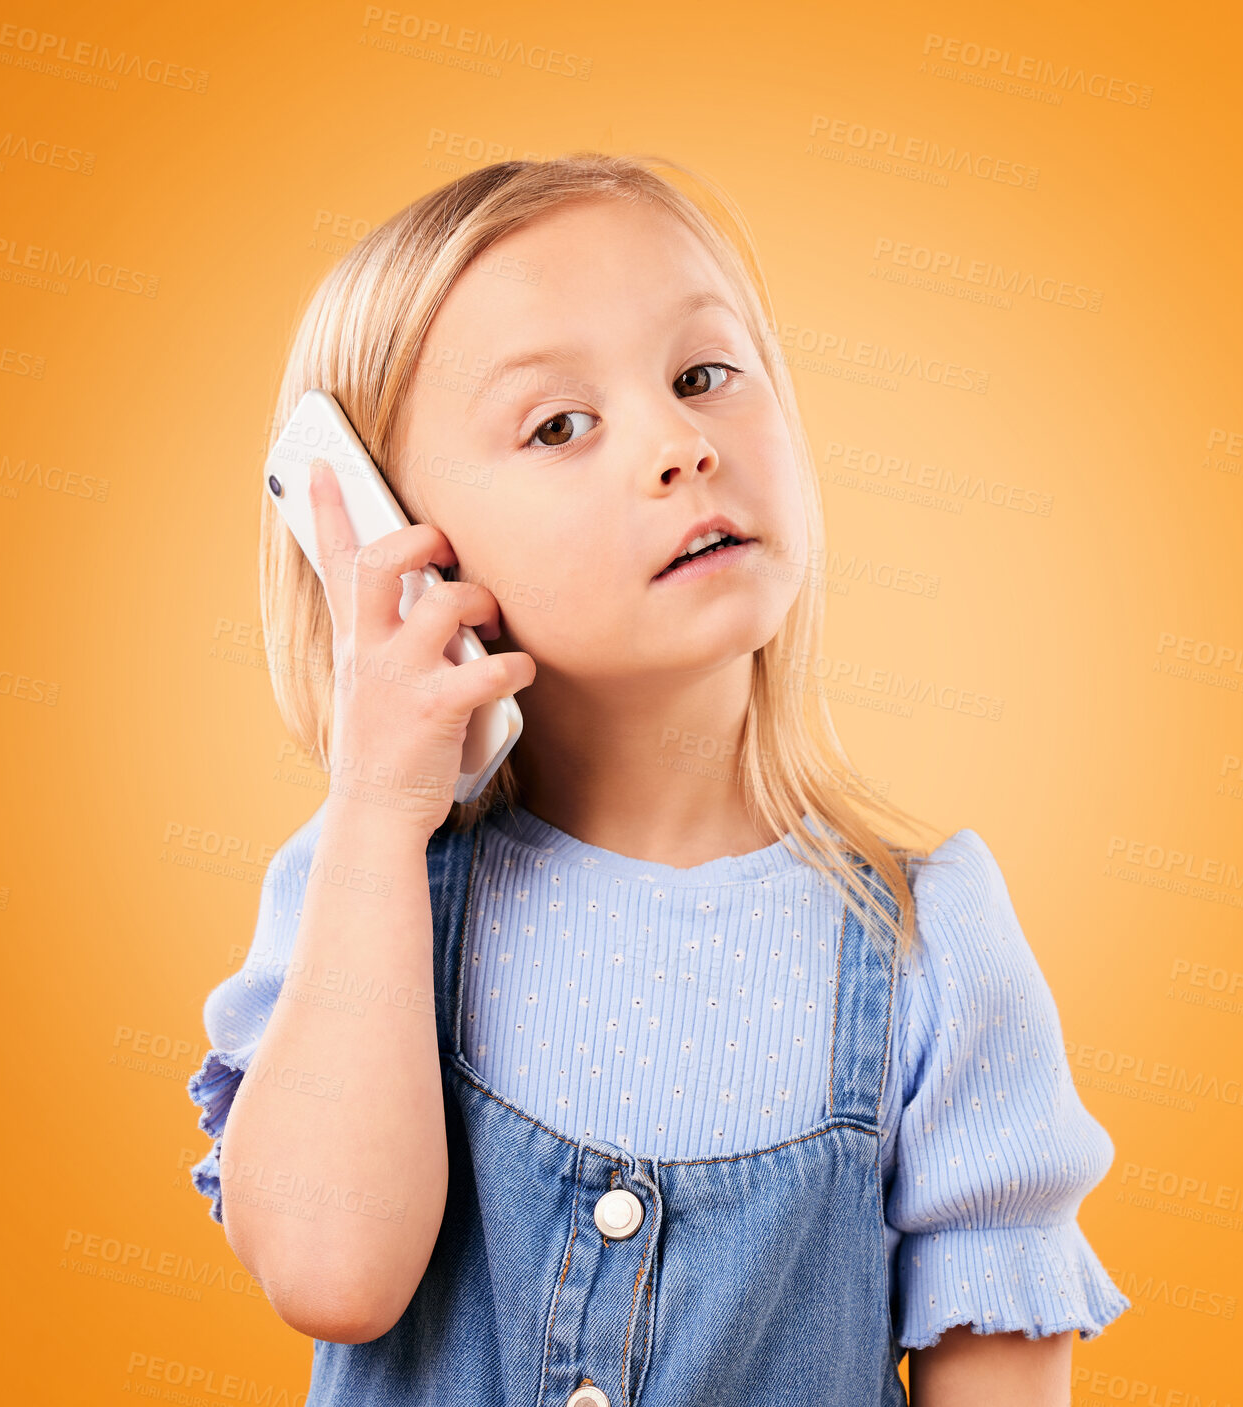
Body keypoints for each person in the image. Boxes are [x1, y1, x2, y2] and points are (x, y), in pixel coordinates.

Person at [185, 153, 1129, 1406]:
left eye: (703, 376)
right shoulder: (365, 888)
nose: (682, 443)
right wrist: (376, 803)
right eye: (558, 425)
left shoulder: (930, 942)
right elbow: (331, 1274)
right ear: (394, 547)